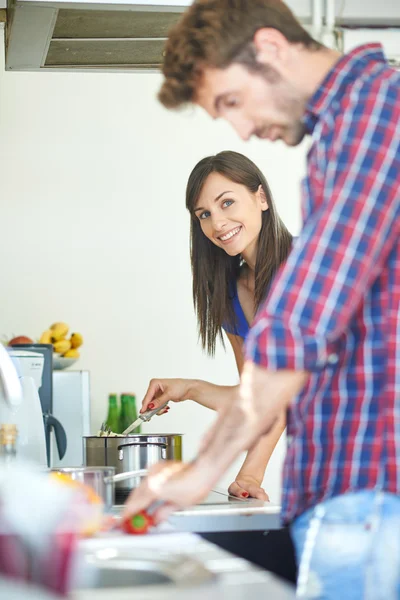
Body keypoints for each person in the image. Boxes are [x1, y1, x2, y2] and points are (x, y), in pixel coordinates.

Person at [124, 1, 400, 597]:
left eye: (231, 102)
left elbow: (301, 323)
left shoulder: (376, 114)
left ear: (270, 48)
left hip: (370, 490)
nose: (242, 129)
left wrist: (203, 472)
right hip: (345, 487)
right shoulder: (342, 134)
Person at [141, 150, 292, 502]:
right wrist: (188, 389)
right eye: (204, 214)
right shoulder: (231, 296)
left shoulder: (304, 271)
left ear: (261, 198)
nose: (217, 223)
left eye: (227, 203)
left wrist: (250, 474)